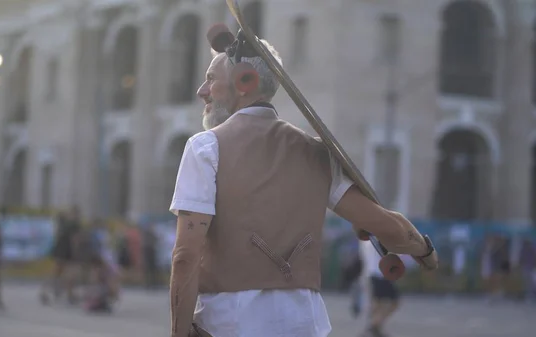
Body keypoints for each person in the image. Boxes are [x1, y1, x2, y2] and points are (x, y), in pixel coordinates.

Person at [167, 31, 438, 337]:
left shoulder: (205, 147)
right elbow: (392, 229)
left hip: (230, 324)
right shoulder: (316, 152)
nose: (202, 90)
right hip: (306, 325)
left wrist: (179, 332)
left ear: (244, 81)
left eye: (211, 78)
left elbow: (185, 256)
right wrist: (426, 252)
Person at [359, 240, 400, 337]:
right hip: (380, 274)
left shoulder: (364, 241)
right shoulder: (376, 239)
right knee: (394, 302)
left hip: (372, 273)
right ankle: (373, 326)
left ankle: (375, 328)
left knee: (377, 304)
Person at [41, 207, 81, 304]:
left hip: (61, 249)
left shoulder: (63, 224)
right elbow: (75, 239)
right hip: (67, 251)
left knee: (58, 272)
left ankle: (46, 291)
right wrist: (76, 252)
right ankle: (69, 294)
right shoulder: (74, 224)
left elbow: (57, 236)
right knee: (70, 272)